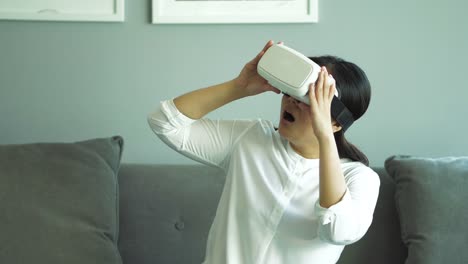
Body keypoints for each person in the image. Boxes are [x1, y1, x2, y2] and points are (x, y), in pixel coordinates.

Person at [147, 40, 380, 264]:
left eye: (309, 98)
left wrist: (324, 135)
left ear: (337, 122)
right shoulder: (251, 140)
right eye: (291, 92)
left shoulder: (359, 178)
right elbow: (163, 122)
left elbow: (338, 231)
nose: (291, 101)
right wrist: (238, 87)